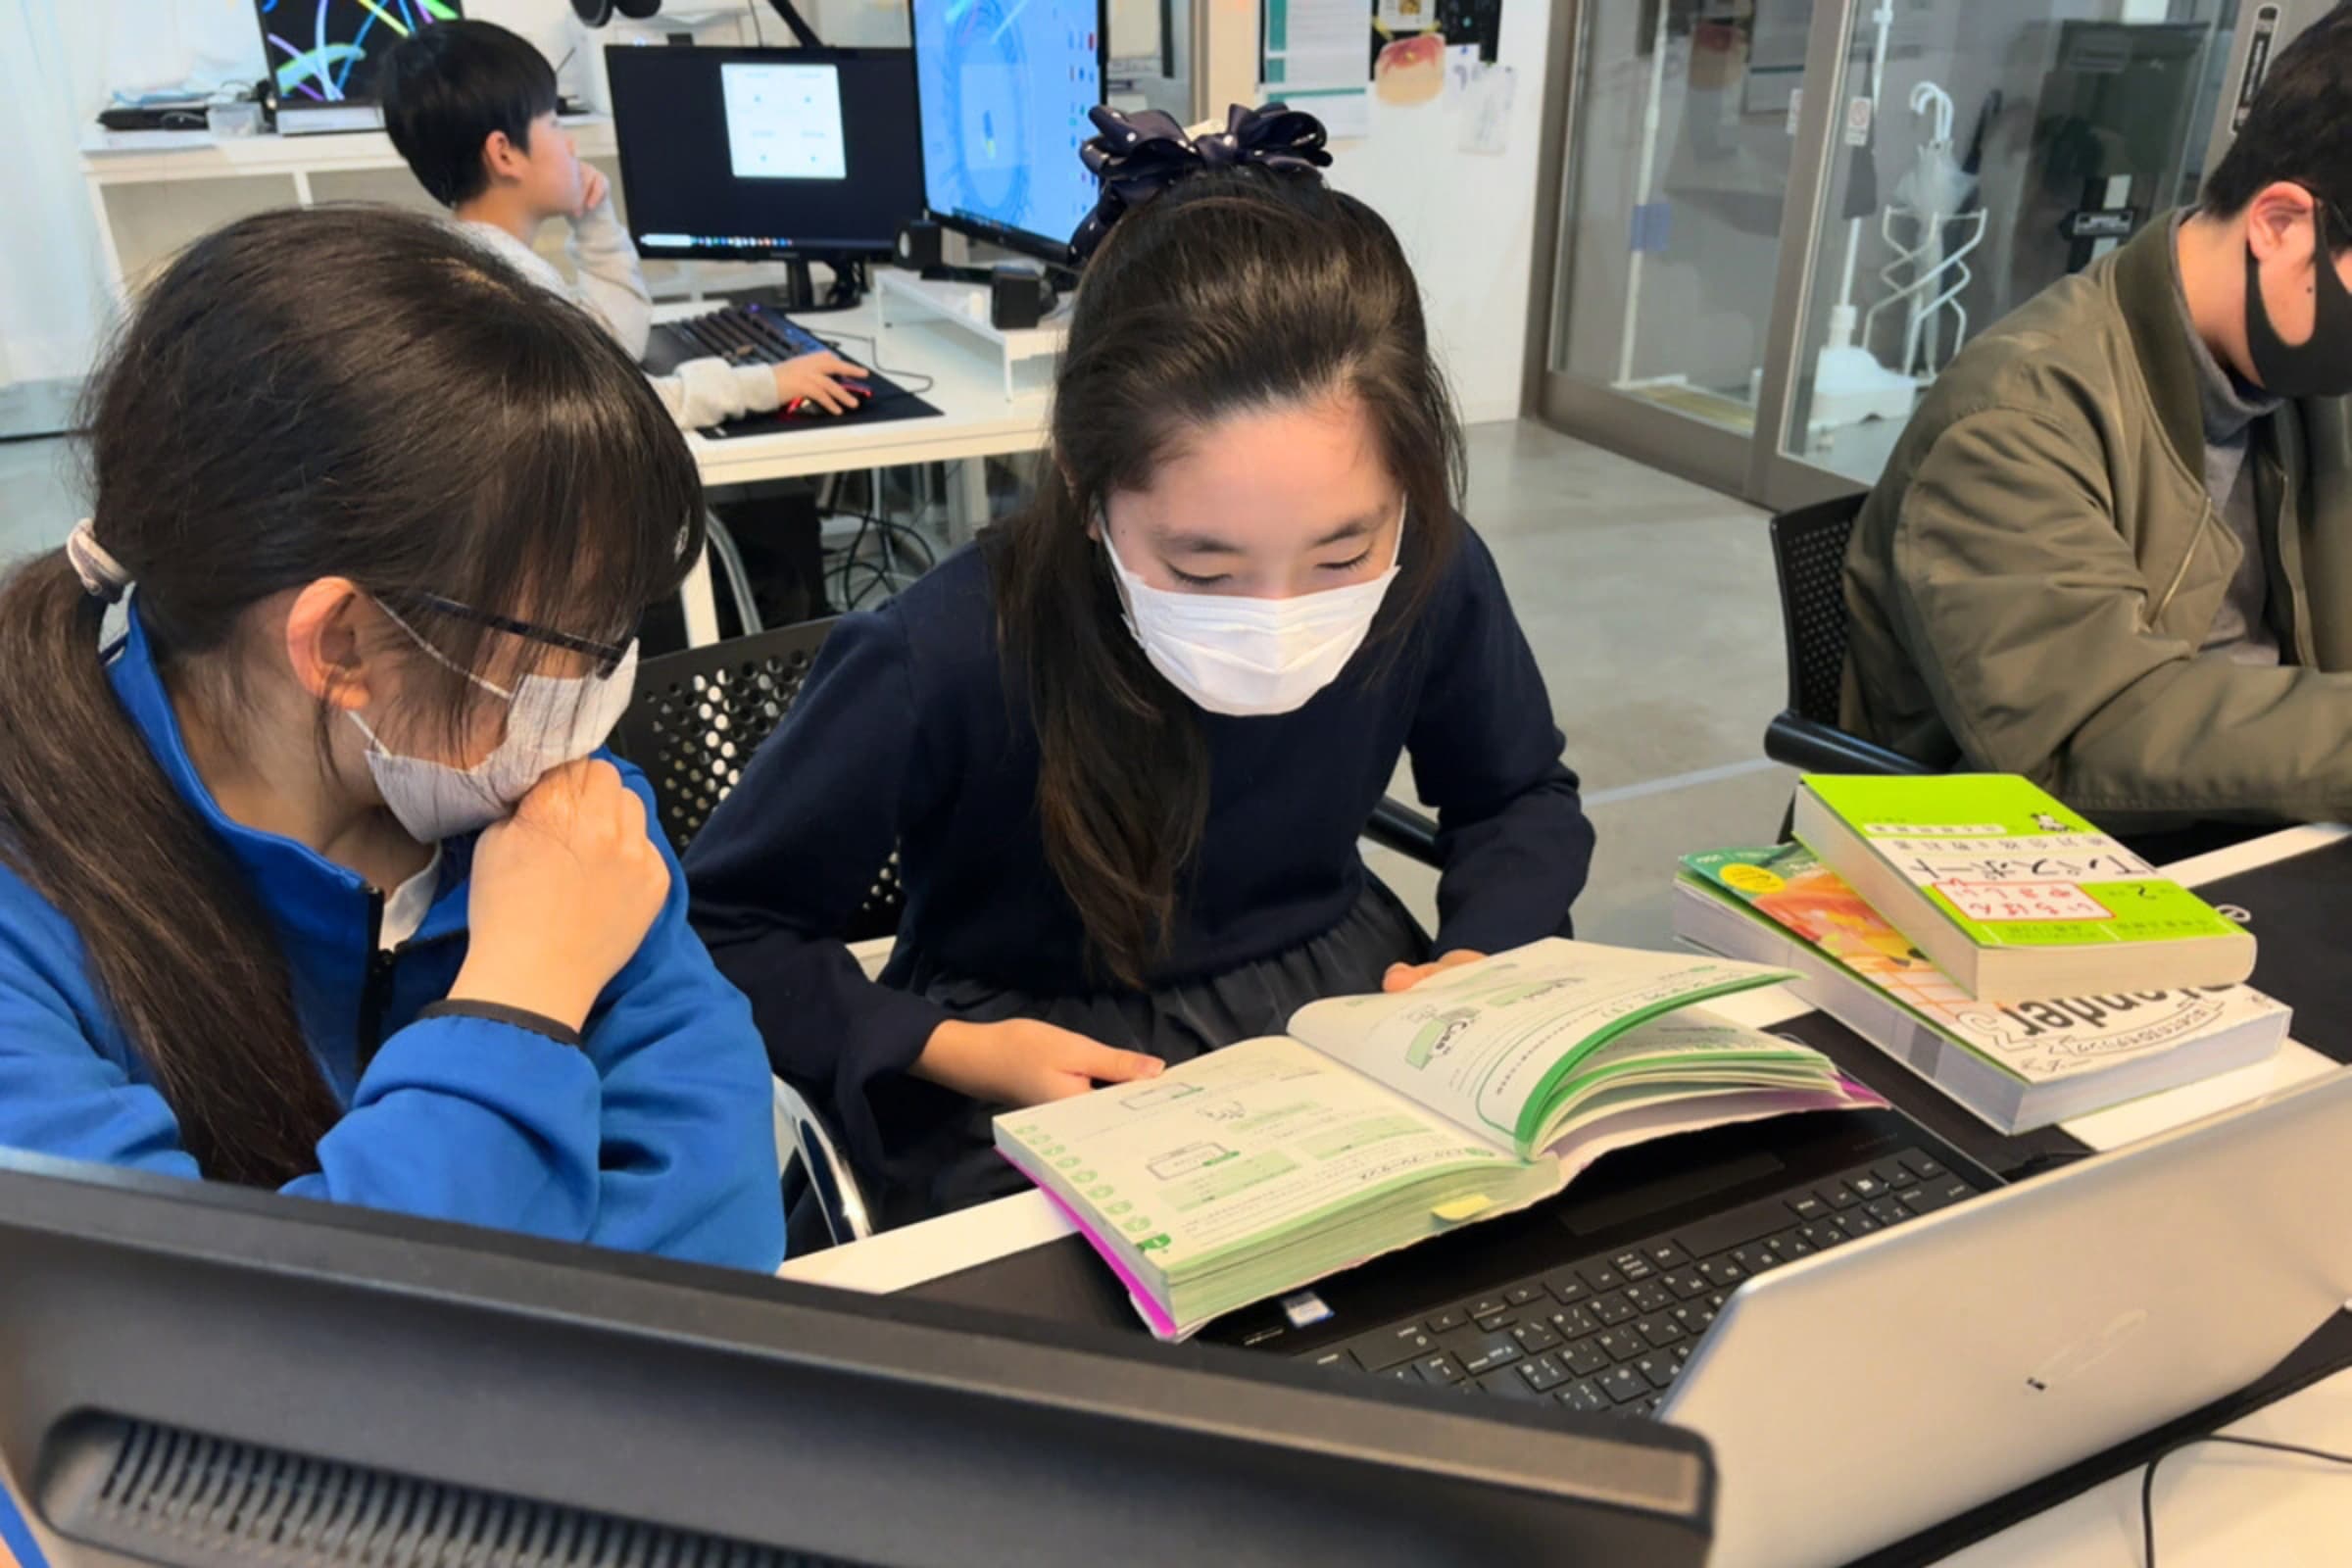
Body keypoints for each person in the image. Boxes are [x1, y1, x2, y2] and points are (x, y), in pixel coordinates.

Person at [687, 106, 1595, 1223]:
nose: (1278, 620)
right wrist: (945, 1046)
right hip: (1031, 1063)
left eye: (1340, 555)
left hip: (1344, 1016)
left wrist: (1485, 953)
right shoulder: (942, 653)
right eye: (1203, 569)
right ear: (1083, 483)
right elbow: (725, 925)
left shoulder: (1431, 575)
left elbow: (1518, 797)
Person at [0, 206, 785, 1271]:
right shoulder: (34, 921)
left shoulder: (557, 811)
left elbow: (721, 1221)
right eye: (573, 638)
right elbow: (189, 1339)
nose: (593, 687)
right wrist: (522, 995)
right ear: (344, 645)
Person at [1840, 11, 2352, 836]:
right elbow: (2087, 735)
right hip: (2061, 850)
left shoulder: (2298, 378)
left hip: (2265, 818)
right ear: (2281, 224)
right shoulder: (2015, 421)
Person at [378, 19, 865, 429]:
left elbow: (612, 347)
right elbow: (627, 407)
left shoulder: (468, 265)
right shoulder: (505, 299)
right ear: (504, 154)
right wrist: (768, 383)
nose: (569, 145)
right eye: (554, 124)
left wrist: (594, 221)